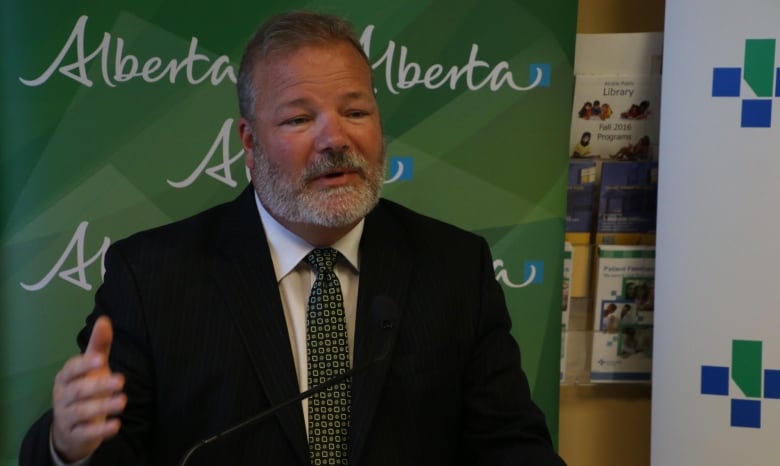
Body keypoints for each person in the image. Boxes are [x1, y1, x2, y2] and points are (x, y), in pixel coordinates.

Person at [20, 10, 565, 466]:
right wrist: (69, 446)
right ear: (249, 142)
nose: (335, 138)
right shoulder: (155, 275)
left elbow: (512, 448)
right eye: (300, 119)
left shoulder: (454, 268)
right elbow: (109, 448)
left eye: (355, 111)